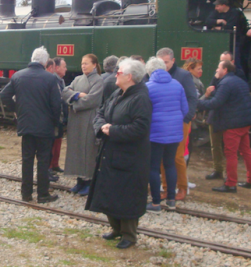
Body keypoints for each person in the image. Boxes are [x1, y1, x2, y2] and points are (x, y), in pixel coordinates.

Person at [87, 59, 152, 249]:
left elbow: (140, 128)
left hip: (130, 157)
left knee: (127, 196)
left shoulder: (140, 98)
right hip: (111, 153)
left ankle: (129, 235)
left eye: (119, 72)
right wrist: (102, 127)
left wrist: (112, 130)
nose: (116, 74)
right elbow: (100, 112)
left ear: (129, 77)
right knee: (110, 192)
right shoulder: (117, 93)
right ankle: (115, 228)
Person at [0, 47, 61, 204]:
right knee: (43, 160)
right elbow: (56, 105)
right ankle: (42, 194)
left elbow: (4, 95)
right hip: (44, 126)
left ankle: (26, 194)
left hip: (25, 124)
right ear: (45, 62)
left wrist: (16, 110)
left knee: (27, 159)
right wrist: (56, 122)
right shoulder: (50, 78)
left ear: (32, 58)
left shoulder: (18, 76)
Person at [197, 60, 251, 193]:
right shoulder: (239, 81)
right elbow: (229, 98)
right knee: (246, 151)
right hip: (244, 122)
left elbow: (216, 103)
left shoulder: (225, 83)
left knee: (230, 154)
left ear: (225, 70)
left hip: (233, 124)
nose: (216, 71)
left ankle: (230, 184)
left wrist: (198, 103)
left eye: (218, 68)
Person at [144, 57, 188, 212]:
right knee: (170, 164)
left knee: (153, 167)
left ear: (149, 71)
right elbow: (185, 109)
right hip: (174, 132)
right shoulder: (177, 85)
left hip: (155, 133)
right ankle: (171, 200)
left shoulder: (147, 87)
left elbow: (144, 112)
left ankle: (155, 202)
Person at [156, 48, 197, 200]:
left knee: (177, 157)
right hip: (161, 123)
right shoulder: (155, 75)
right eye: (160, 62)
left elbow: (192, 98)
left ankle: (182, 188)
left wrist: (185, 119)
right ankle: (167, 188)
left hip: (179, 122)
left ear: (173, 61)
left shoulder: (183, 75)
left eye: (166, 62)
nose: (163, 65)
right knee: (162, 157)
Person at [62, 54, 104, 196]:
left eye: (86, 63)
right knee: (77, 148)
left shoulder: (99, 80)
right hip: (76, 120)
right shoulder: (78, 79)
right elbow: (65, 91)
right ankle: (80, 179)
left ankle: (89, 181)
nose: (83, 66)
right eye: (82, 63)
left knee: (88, 149)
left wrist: (74, 103)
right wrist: (79, 95)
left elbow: (93, 100)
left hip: (89, 119)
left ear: (94, 65)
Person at [203, 51, 246, 180]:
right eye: (220, 61)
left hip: (228, 116)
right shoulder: (217, 75)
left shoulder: (238, 76)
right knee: (215, 145)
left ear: (230, 63)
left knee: (230, 148)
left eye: (224, 61)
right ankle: (218, 170)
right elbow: (211, 90)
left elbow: (221, 96)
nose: (219, 65)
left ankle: (230, 175)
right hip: (216, 114)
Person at [50, 57, 68, 174]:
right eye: (64, 66)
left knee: (58, 138)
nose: (66, 69)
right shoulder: (53, 80)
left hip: (61, 115)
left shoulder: (61, 80)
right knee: (53, 140)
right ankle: (51, 165)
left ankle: (55, 163)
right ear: (56, 68)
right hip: (55, 116)